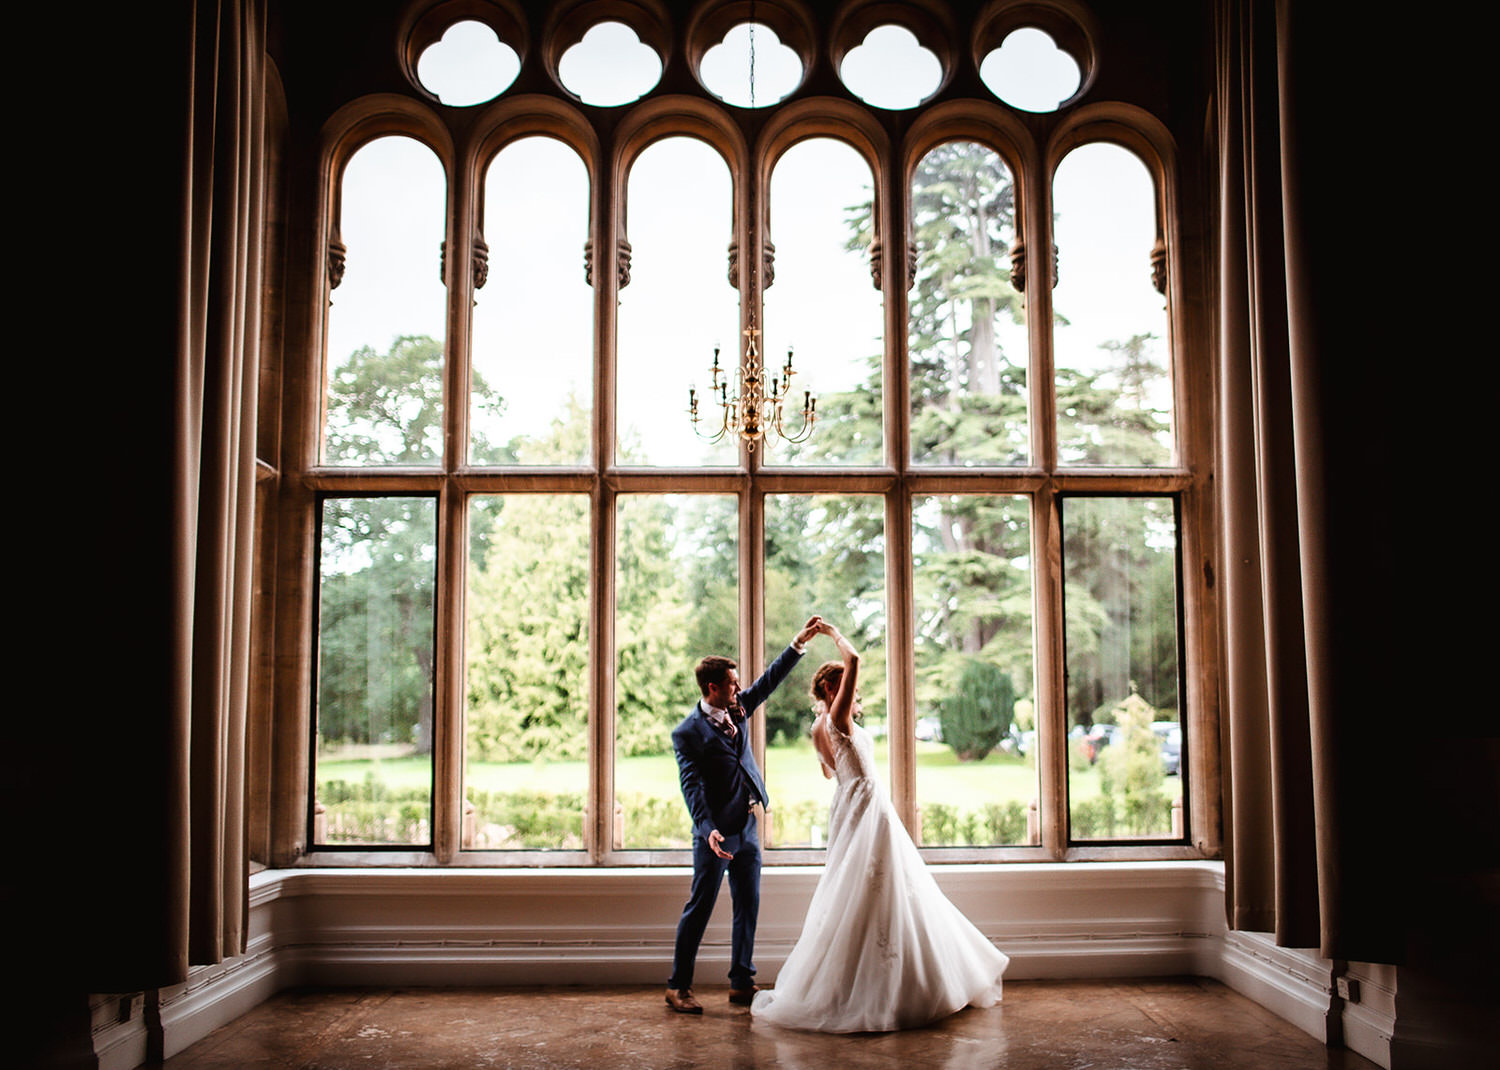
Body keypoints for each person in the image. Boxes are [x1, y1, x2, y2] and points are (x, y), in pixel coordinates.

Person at [751, 620, 1009, 1032]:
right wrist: (833, 633)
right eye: (849, 692)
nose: (857, 699)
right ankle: (890, 988)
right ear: (834, 692)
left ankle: (866, 979)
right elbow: (854, 658)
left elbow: (829, 772)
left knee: (864, 888)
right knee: (885, 886)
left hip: (849, 802)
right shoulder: (837, 720)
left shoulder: (819, 727)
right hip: (868, 806)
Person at [665, 615, 825, 1015]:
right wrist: (707, 831)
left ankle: (741, 981)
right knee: (699, 908)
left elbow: (768, 681)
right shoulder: (688, 733)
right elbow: (692, 786)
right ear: (712, 688)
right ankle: (677, 986)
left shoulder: (737, 709)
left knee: (747, 905)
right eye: (733, 684)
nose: (739, 689)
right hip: (716, 836)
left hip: (748, 827)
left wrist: (798, 644)